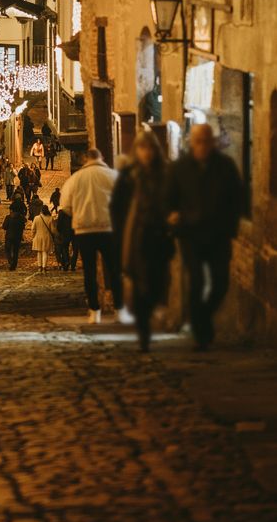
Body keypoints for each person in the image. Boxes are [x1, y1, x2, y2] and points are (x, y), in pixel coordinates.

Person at [167, 123, 243, 350]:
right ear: (192, 142)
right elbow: (169, 198)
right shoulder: (180, 168)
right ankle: (201, 334)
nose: (202, 146)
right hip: (191, 234)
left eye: (206, 141)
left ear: (213, 142)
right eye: (198, 141)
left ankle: (203, 319)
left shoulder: (225, 167)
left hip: (218, 234)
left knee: (221, 283)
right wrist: (172, 215)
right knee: (197, 282)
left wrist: (231, 226)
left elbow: (237, 198)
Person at [110, 129, 173, 351]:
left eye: (150, 148)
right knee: (139, 285)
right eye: (142, 148)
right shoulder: (128, 176)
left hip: (159, 238)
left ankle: (149, 314)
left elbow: (173, 201)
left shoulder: (164, 175)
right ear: (137, 151)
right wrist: (120, 235)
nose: (146, 153)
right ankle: (144, 331)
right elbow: (117, 208)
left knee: (156, 283)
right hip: (135, 238)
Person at [59, 147, 127, 324]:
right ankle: (119, 309)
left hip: (84, 230)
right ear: (102, 157)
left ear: (85, 159)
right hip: (108, 229)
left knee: (89, 271)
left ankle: (94, 311)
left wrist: (79, 214)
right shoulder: (113, 176)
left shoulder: (75, 179)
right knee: (114, 269)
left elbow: (65, 206)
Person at [31, 206, 55, 273]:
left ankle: (39, 267)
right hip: (46, 237)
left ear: (41, 210)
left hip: (37, 237)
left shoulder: (36, 218)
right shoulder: (50, 218)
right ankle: (44, 267)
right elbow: (53, 230)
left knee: (39, 252)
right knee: (45, 252)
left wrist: (33, 236)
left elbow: (33, 229)